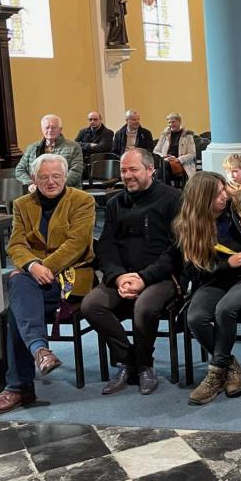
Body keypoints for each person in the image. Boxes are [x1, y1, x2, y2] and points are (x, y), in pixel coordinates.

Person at [0, 155, 96, 415]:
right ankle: (40, 351)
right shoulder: (22, 204)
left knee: (17, 301)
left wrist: (43, 268)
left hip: (70, 276)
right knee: (20, 291)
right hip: (34, 279)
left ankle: (18, 387)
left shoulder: (82, 200)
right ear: (34, 179)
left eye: (56, 176)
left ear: (65, 177)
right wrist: (33, 266)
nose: (51, 181)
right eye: (44, 177)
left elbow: (77, 244)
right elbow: (16, 244)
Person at [163, 171, 241, 405]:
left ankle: (216, 372)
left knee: (225, 309)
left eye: (223, 189)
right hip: (215, 278)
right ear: (202, 199)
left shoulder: (238, 201)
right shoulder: (186, 225)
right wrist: (226, 264)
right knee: (195, 317)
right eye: (217, 194)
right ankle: (230, 366)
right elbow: (193, 271)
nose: (224, 196)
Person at [82, 148, 182, 396]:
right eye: (123, 171)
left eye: (133, 170)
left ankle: (145, 364)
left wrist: (144, 278)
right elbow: (106, 247)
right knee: (91, 305)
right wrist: (118, 277)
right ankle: (129, 361)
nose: (127, 175)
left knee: (144, 307)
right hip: (124, 276)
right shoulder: (115, 203)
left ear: (150, 170)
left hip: (162, 276)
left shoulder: (174, 198)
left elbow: (177, 248)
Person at [15, 114, 85, 190]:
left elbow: (76, 171)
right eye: (47, 127)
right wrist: (30, 184)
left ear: (60, 129)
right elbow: (20, 170)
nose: (50, 130)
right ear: (42, 129)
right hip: (37, 191)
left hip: (67, 190)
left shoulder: (74, 147)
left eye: (53, 127)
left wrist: (55, 185)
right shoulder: (32, 148)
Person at [153, 112, 197, 185]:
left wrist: (178, 159)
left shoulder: (188, 136)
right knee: (164, 170)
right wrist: (164, 156)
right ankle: (168, 189)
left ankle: (162, 188)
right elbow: (156, 151)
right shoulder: (164, 135)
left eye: (173, 122)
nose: (171, 124)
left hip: (181, 163)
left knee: (161, 169)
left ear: (179, 122)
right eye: (169, 122)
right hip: (166, 161)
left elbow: (192, 154)